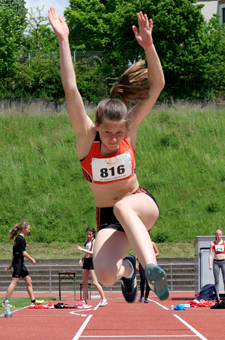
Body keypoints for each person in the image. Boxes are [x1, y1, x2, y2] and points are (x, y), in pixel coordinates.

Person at [48, 7, 169, 303]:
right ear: (97, 128)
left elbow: (157, 86)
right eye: (108, 133)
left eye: (119, 133)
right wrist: (64, 40)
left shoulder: (129, 129)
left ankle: (150, 268)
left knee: (123, 208)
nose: (115, 139)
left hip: (140, 203)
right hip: (107, 218)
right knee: (103, 273)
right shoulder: (86, 139)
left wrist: (149, 46)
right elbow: (71, 89)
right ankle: (129, 270)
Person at [3, 222, 36, 306]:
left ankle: (33, 301)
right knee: (14, 282)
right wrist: (32, 259)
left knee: (29, 280)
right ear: (24, 229)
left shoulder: (17, 239)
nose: (29, 230)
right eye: (28, 229)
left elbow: (13, 253)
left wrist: (11, 264)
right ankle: (6, 301)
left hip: (19, 263)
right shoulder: (21, 239)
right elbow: (23, 253)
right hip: (18, 263)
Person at [77, 226, 108, 308]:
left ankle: (104, 298)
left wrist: (81, 250)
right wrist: (82, 259)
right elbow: (87, 254)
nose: (88, 236)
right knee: (84, 282)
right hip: (86, 262)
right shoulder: (87, 241)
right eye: (87, 234)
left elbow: (92, 253)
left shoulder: (94, 241)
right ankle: (84, 300)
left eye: (90, 234)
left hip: (92, 262)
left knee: (94, 282)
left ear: (93, 234)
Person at [209, 229, 225, 301]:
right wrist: (210, 264)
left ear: (222, 235)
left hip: (224, 262)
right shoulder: (212, 243)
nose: (218, 236)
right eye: (217, 234)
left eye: (220, 234)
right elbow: (210, 254)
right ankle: (217, 296)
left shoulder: (224, 243)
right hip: (216, 262)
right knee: (217, 280)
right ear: (215, 235)